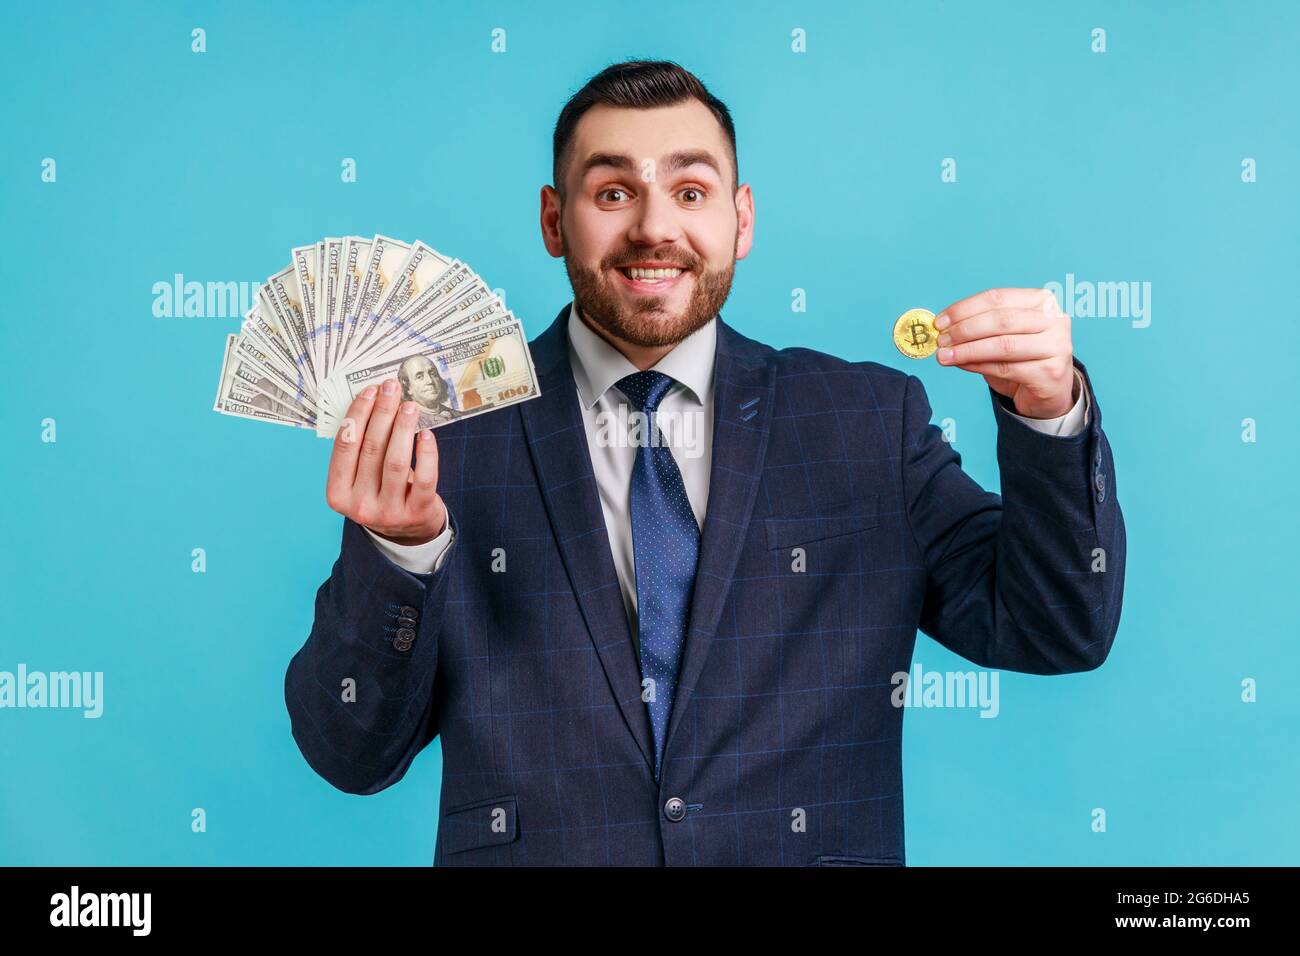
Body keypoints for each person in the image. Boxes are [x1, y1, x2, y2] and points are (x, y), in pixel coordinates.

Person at [284, 60, 1126, 866]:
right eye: (613, 192)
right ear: (552, 220)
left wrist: (1049, 412)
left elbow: (1055, 626)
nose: (655, 227)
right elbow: (351, 754)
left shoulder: (867, 422)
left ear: (742, 219)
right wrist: (399, 553)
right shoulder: (450, 437)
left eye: (690, 191)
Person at [395, 353, 459, 426]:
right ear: (407, 387)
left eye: (433, 374)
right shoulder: (406, 423)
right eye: (419, 377)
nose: (430, 381)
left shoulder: (457, 415)